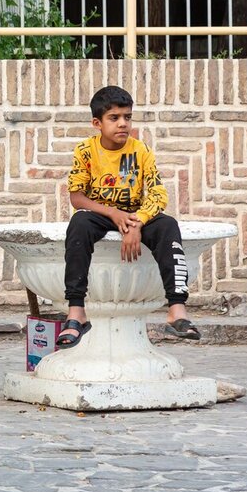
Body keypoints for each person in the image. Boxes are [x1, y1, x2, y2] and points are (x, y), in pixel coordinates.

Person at [57, 85, 200, 348]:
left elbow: (157, 193)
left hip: (136, 214)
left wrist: (137, 222)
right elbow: (77, 198)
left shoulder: (140, 150)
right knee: (79, 224)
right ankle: (76, 311)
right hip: (101, 214)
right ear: (97, 123)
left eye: (128, 117)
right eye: (114, 118)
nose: (123, 124)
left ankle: (177, 309)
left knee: (168, 225)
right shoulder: (86, 151)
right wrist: (114, 213)